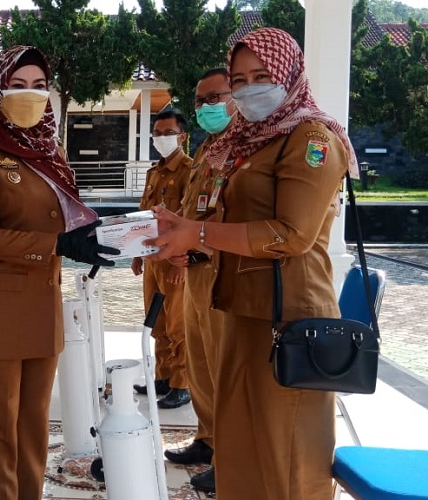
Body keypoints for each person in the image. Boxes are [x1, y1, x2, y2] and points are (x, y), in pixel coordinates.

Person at [147, 28, 357, 499]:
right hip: (242, 309)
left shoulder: (311, 138)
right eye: (239, 80)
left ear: (289, 73)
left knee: (287, 455)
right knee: (240, 445)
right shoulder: (250, 142)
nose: (249, 89)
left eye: (262, 76)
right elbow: (229, 218)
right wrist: (186, 236)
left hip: (292, 319)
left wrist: (198, 233)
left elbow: (292, 234)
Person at [0, 45, 118, 500]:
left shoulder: (47, 149)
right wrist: (56, 244)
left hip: (41, 306)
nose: (30, 95)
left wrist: (90, 232)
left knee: (32, 429)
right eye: (17, 85)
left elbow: (57, 215)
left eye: (39, 86)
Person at [161, 67, 237, 495]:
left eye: (214, 97)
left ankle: (230, 457)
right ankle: (207, 440)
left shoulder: (245, 148)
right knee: (201, 365)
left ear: (234, 96)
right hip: (195, 270)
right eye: (200, 101)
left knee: (225, 369)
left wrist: (194, 241)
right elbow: (195, 209)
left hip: (224, 272)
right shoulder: (209, 149)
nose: (206, 107)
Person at [131, 108, 193, 409]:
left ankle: (182, 384)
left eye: (168, 133)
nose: (161, 138)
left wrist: (183, 258)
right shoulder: (153, 172)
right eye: (157, 133)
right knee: (157, 322)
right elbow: (143, 216)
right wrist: (137, 254)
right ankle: (163, 377)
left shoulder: (190, 171)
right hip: (152, 259)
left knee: (178, 325)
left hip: (174, 260)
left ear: (183, 136)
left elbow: (189, 219)